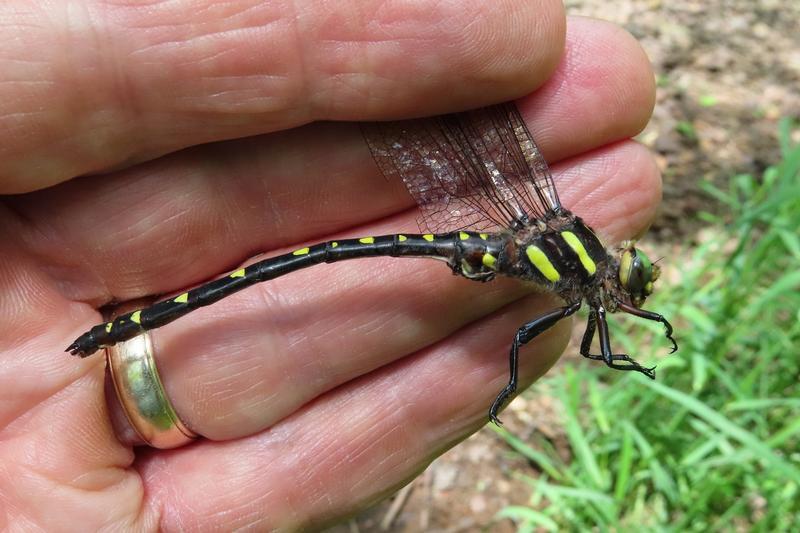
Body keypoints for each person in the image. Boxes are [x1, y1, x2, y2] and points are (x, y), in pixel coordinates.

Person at [0, 1, 661, 529]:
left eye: (630, 276)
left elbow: (593, 345)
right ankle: (123, 329)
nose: (628, 281)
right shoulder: (577, 273)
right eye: (630, 276)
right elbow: (575, 345)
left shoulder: (572, 257)